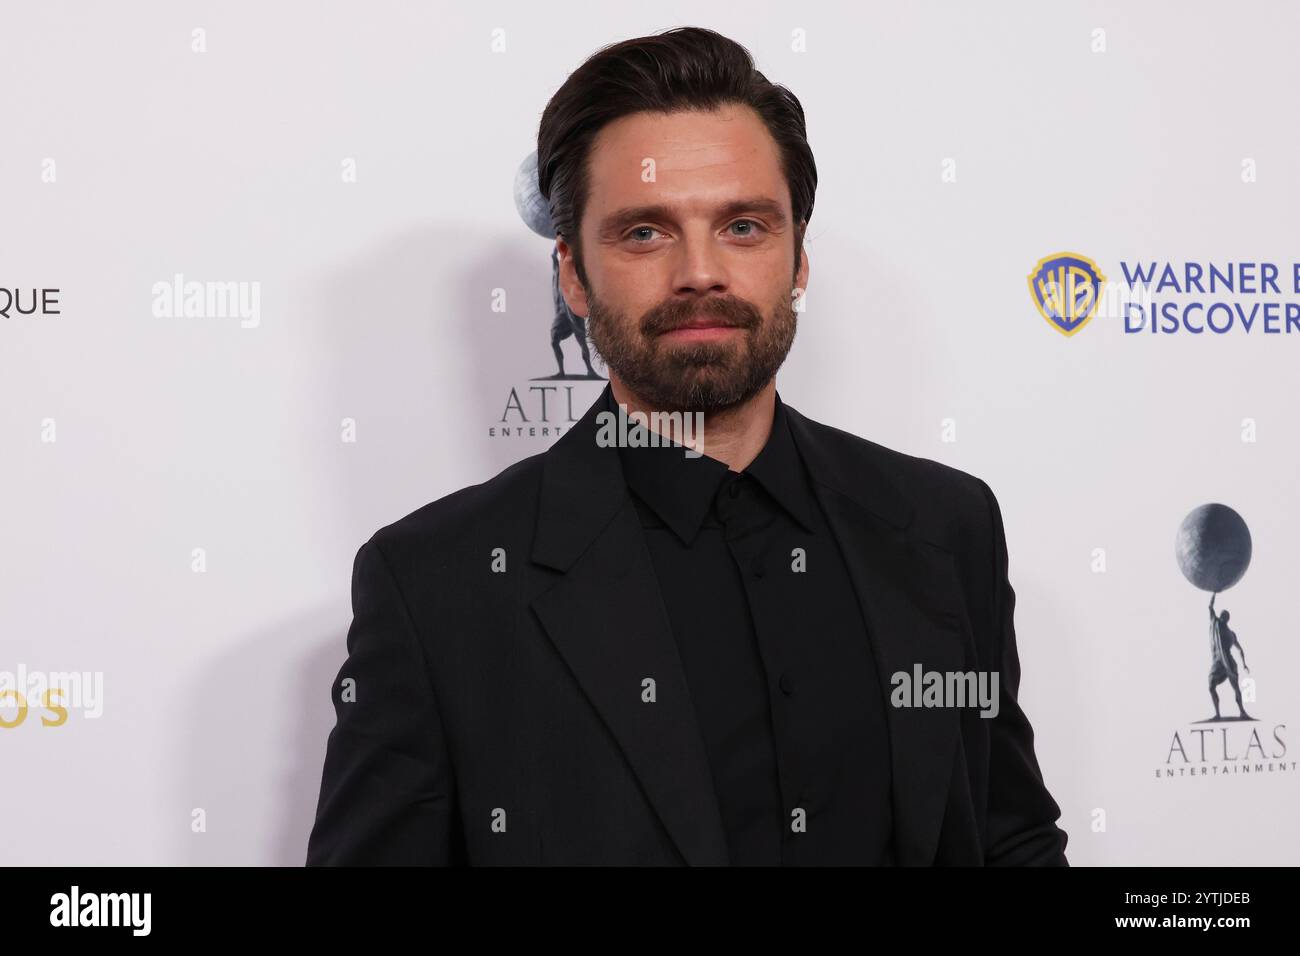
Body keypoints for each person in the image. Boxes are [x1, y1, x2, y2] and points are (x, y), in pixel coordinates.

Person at [305, 26, 1068, 866]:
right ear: (571, 275)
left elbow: (1009, 836)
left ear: (798, 259)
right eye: (644, 233)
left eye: (743, 226)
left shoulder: (944, 527)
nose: (700, 272)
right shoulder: (437, 587)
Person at [1208, 593, 1251, 720]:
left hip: (1225, 662)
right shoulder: (1224, 629)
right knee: (1212, 686)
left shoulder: (1221, 627)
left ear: (1224, 618)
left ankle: (1242, 712)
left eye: (1223, 616)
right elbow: (1240, 649)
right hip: (1221, 662)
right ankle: (1220, 714)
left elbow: (1210, 607)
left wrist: (1214, 592)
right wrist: (1244, 664)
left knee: (1233, 687)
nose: (1222, 618)